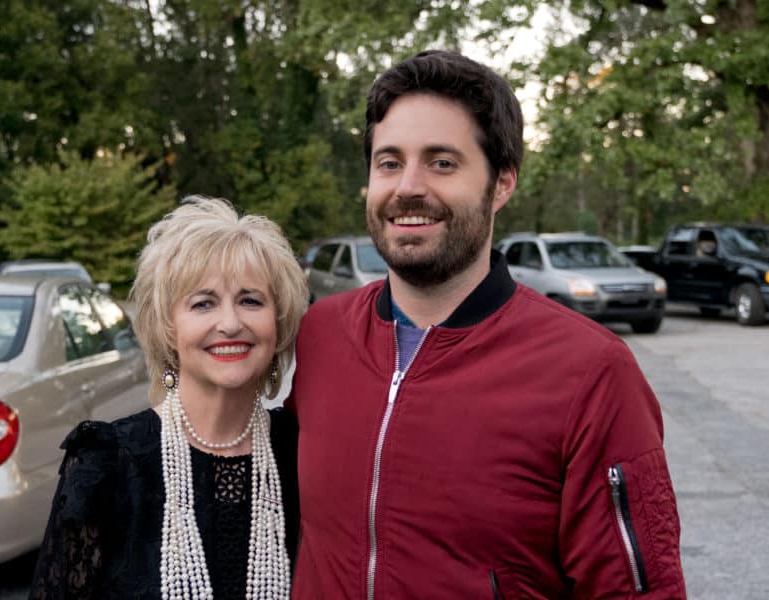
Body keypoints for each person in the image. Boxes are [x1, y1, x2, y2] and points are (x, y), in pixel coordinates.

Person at [285, 50, 686, 598]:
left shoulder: (591, 373)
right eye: (389, 162)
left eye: (442, 162)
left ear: (501, 185)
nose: (408, 186)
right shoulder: (322, 333)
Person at [30, 196, 308, 599]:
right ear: (167, 327)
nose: (230, 323)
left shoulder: (302, 453)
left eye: (251, 300)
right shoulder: (106, 465)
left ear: (278, 321)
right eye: (203, 303)